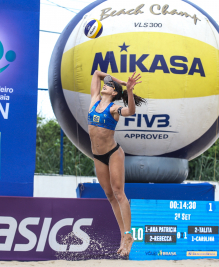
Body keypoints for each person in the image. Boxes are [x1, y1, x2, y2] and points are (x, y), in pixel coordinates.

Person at [88, 70, 146, 256]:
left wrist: (128, 90)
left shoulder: (113, 109)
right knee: (109, 195)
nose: (106, 84)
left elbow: (130, 111)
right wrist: (118, 80)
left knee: (119, 193)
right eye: (107, 84)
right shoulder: (94, 100)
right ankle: (123, 236)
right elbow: (97, 73)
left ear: (114, 93)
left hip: (113, 154)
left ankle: (128, 235)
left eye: (110, 85)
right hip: (98, 156)